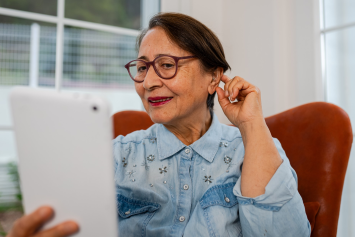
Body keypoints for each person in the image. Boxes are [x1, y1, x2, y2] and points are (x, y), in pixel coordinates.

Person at [7, 13, 310, 237]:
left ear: (214, 78)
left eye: (167, 65)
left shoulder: (254, 150)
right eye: (141, 68)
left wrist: (252, 124)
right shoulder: (114, 157)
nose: (148, 83)